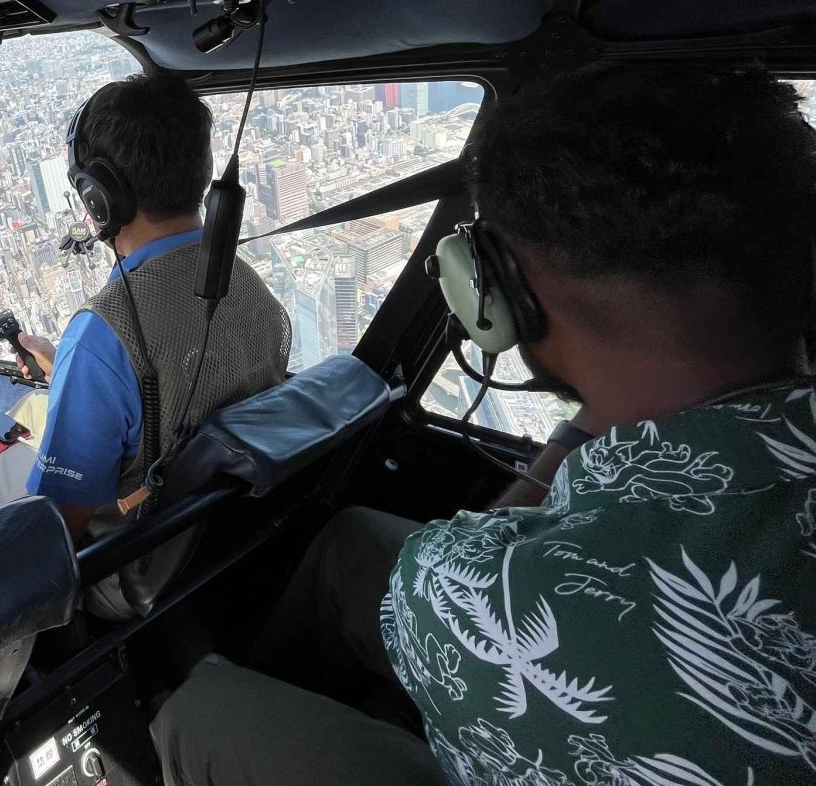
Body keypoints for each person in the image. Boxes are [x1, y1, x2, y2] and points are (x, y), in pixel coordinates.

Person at [152, 62, 816, 785]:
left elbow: (456, 568)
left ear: (502, 294)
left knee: (203, 711)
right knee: (352, 544)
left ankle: (190, 689)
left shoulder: (481, 596)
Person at [0, 72, 289, 549]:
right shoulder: (246, 280)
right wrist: (72, 373)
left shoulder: (103, 335)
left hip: (140, 561)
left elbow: (59, 529)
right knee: (40, 407)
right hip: (240, 533)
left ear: (99, 195)